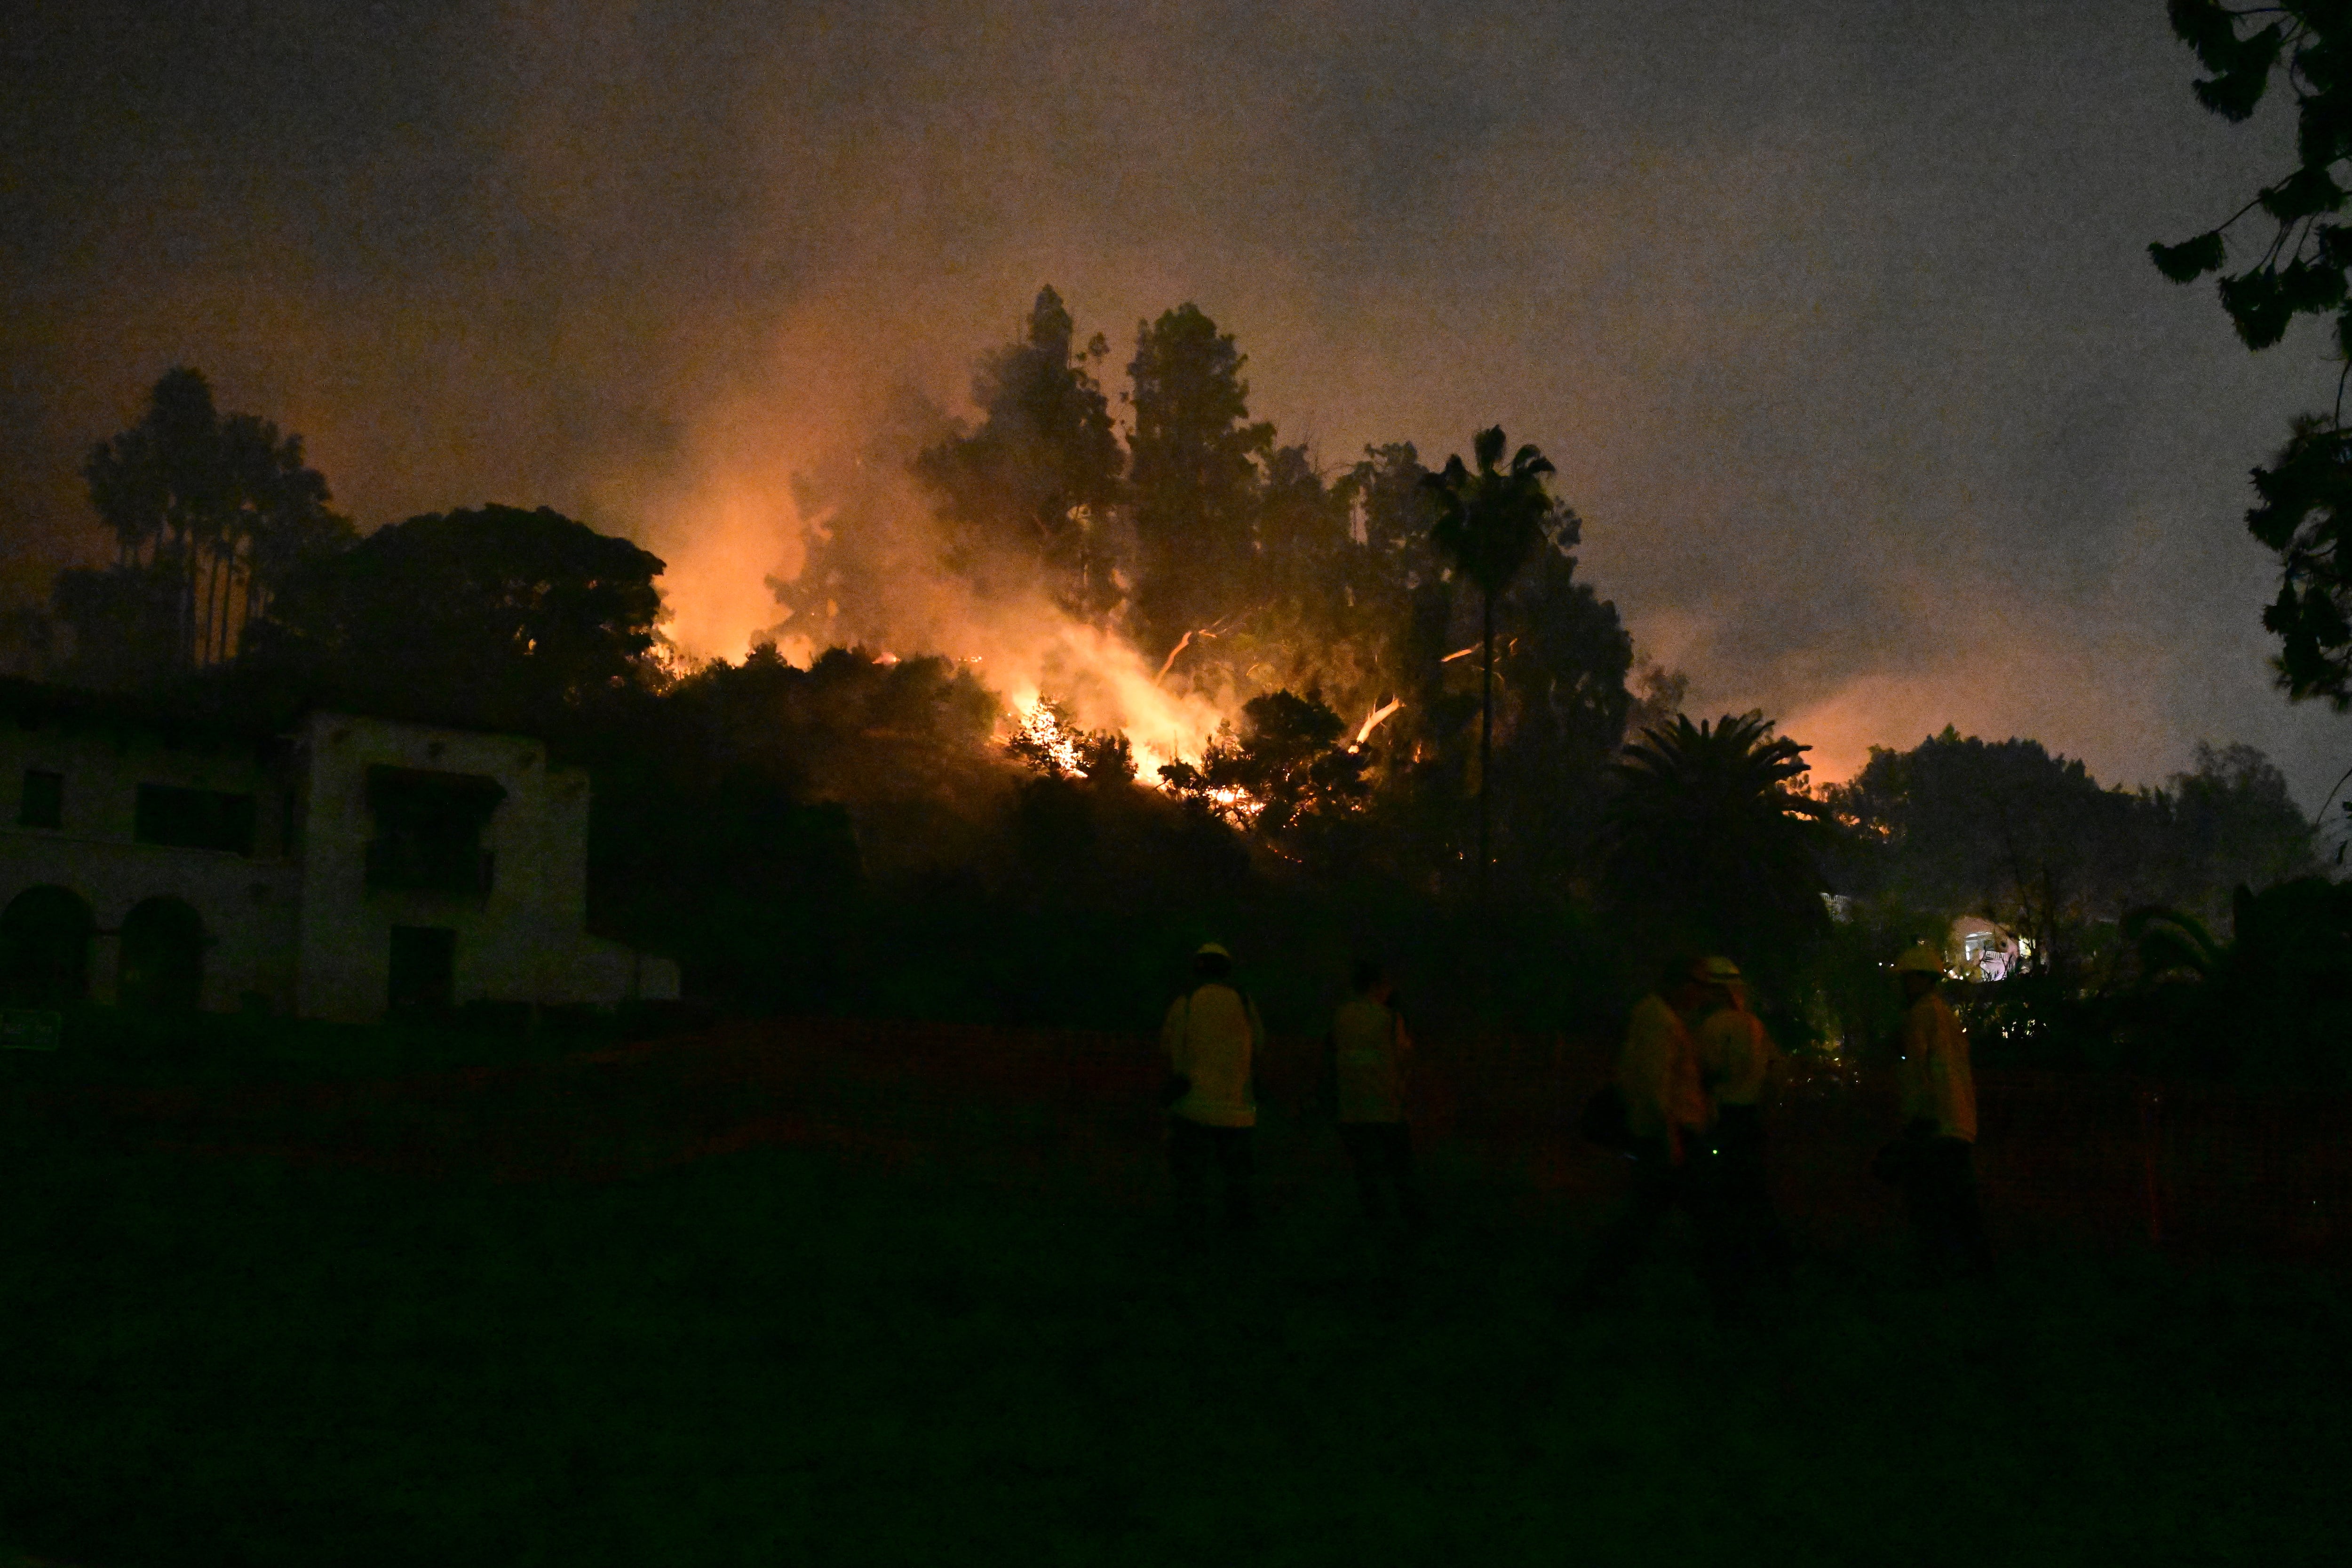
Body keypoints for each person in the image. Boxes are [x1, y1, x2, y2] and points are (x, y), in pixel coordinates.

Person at [1572, 955, 1738, 1314]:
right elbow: (1653, 1086)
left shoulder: (1665, 1018)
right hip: (1671, 1137)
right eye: (1697, 985)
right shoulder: (1658, 1020)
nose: (1701, 993)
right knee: (1701, 1218)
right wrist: (1672, 1139)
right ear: (1680, 985)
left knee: (1647, 1219)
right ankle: (1730, 1300)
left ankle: (1594, 1289)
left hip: (1671, 1137)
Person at [1892, 942, 1995, 1282]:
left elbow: (1918, 1068)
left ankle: (1939, 1268)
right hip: (1958, 1118)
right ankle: (1977, 1266)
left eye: (1908, 979)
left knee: (1930, 1201)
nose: (1904, 985)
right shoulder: (1947, 1016)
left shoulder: (1920, 1015)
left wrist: (1916, 1115)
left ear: (1922, 980)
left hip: (1934, 1120)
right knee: (1961, 1200)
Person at [1693, 955, 1791, 1285]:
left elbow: (1708, 1070)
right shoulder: (1754, 1024)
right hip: (1752, 1116)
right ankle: (1773, 1259)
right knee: (1754, 1191)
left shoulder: (1712, 1025)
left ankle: (1733, 1263)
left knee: (1723, 1193)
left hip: (1724, 1116)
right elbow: (1777, 1070)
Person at [1162, 942, 1266, 1247]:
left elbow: (1169, 1046)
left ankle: (1191, 1237)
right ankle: (1240, 1237)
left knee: (1191, 1180)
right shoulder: (1245, 1002)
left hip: (1192, 1107)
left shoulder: (1188, 1001)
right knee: (1237, 1180)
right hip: (1238, 1110)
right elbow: (1259, 1043)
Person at [1328, 958, 1427, 1240]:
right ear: (1376, 987)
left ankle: (1377, 1230)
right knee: (1401, 1172)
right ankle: (1412, 1229)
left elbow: (1335, 1056)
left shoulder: (1341, 1017)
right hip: (1386, 1109)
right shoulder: (1389, 1018)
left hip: (1352, 1109)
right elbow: (1405, 1059)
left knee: (1367, 1175)